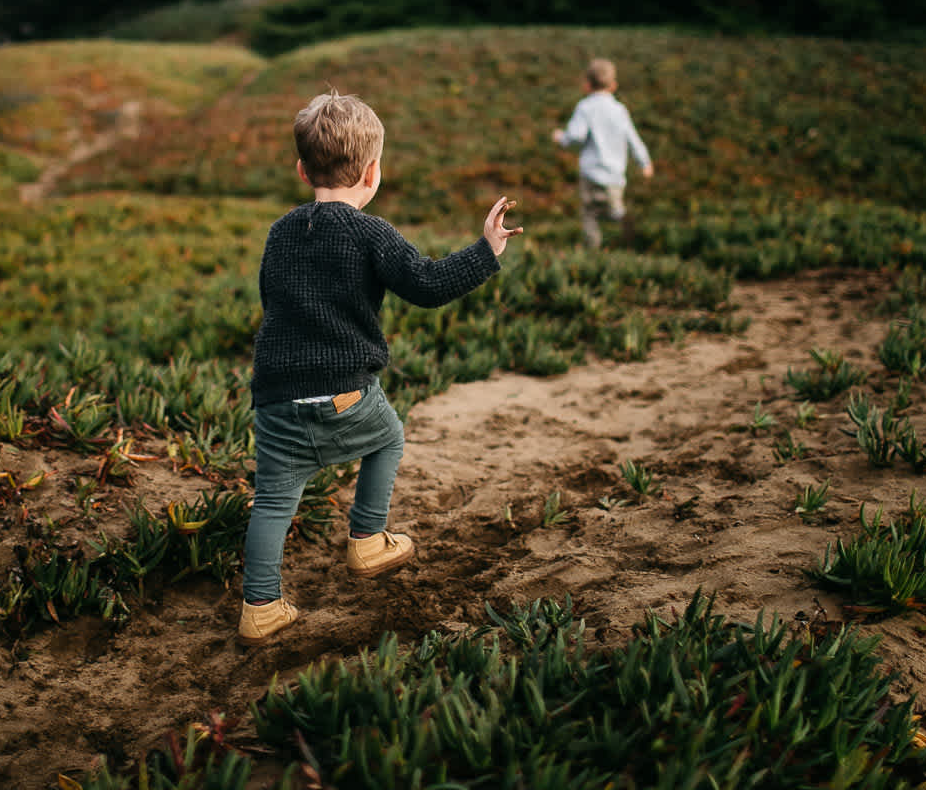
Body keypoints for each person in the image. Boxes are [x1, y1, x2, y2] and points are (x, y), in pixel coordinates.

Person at [239, 90, 522, 645]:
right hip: (345, 393)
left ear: (302, 170)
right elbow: (428, 285)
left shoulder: (280, 231)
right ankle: (368, 540)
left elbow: (271, 298)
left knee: (272, 500)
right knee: (388, 437)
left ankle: (261, 607)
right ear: (372, 173)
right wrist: (485, 251)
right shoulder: (370, 232)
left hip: (276, 397)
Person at [551, 58, 654, 248]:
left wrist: (561, 138)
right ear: (613, 85)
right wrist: (645, 163)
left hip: (590, 175)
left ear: (587, 85)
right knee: (615, 211)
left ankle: (593, 251)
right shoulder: (620, 110)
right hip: (614, 176)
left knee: (590, 214)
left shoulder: (585, 107)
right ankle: (627, 243)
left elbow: (575, 136)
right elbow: (633, 139)